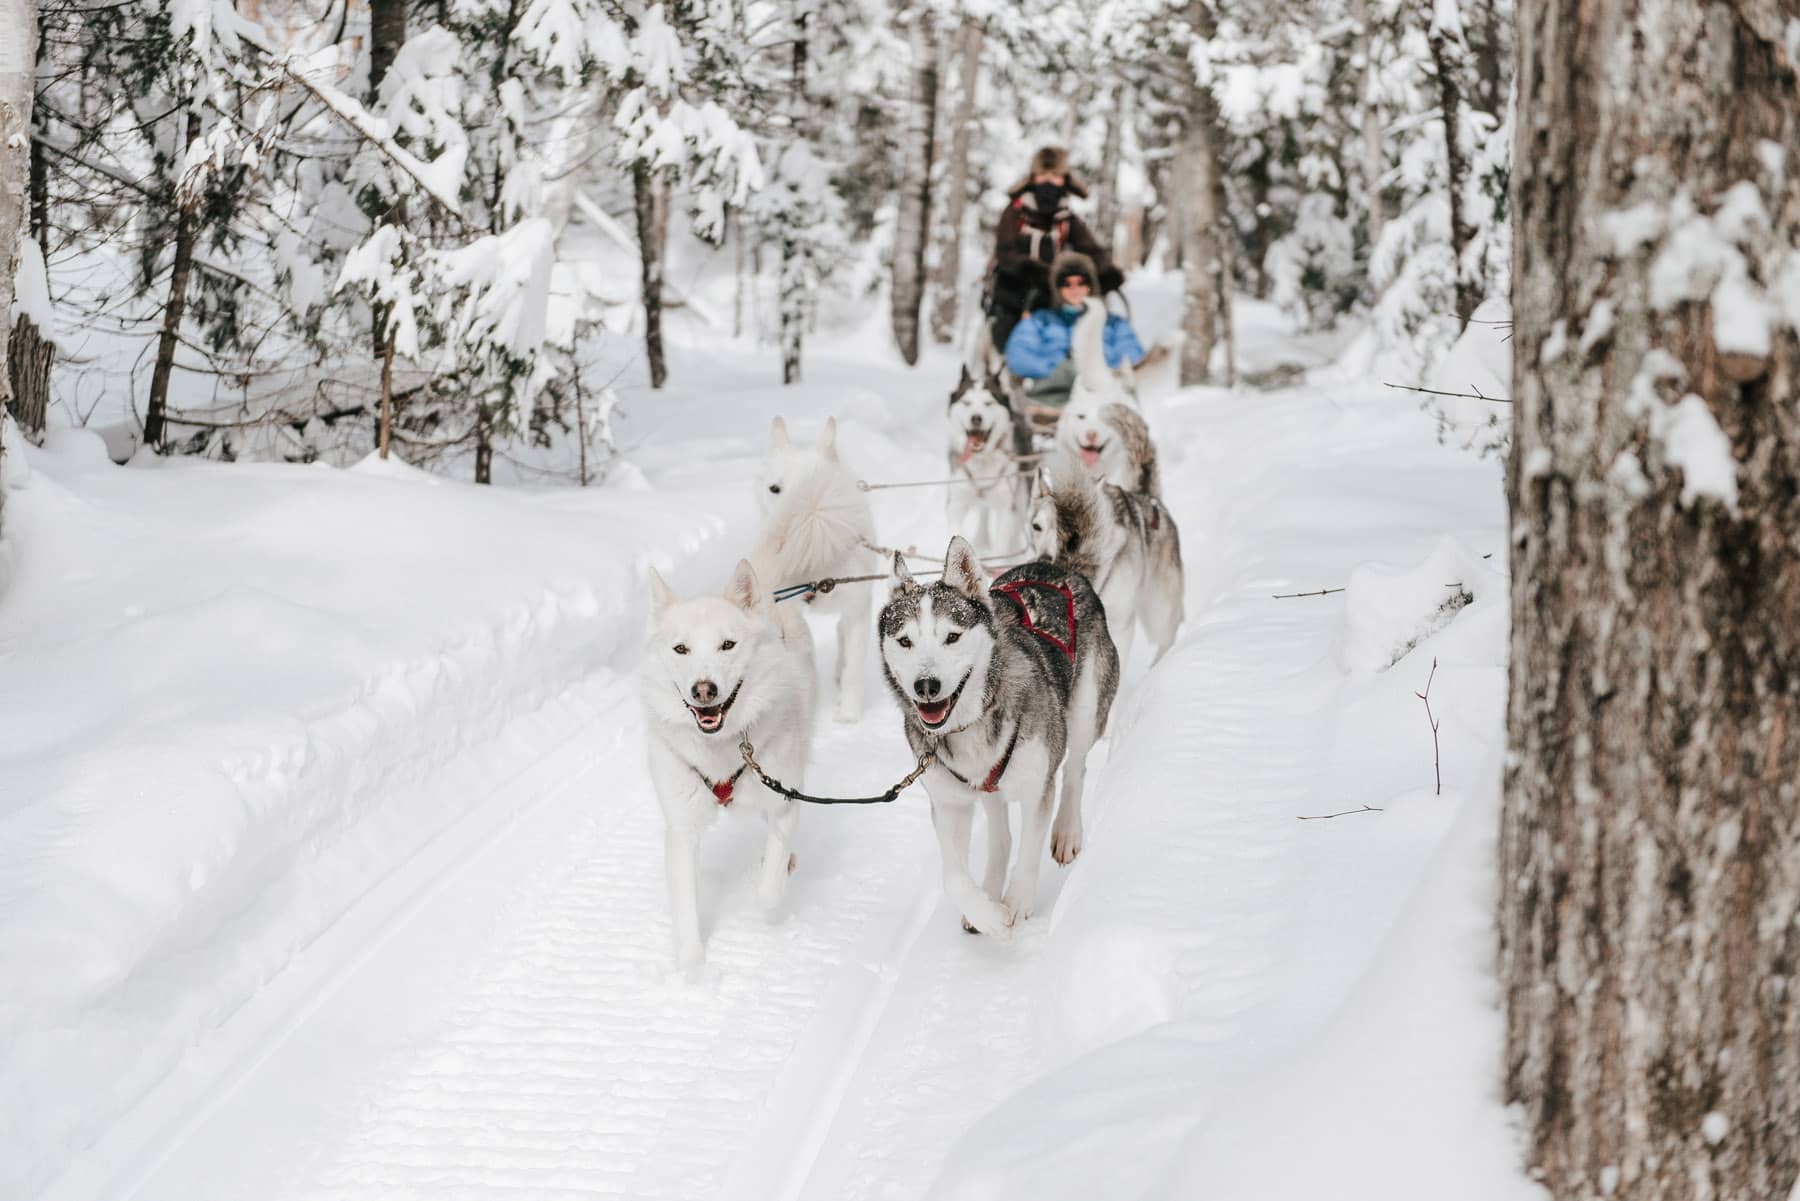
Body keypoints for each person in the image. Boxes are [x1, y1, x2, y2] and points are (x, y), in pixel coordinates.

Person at [986, 146, 1124, 356]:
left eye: (1055, 175)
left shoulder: (1066, 217)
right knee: (1007, 343)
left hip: (1051, 293)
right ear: (1033, 178)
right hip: (1012, 293)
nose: (1049, 182)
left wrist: (1105, 272)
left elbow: (1090, 249)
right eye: (1043, 175)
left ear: (1064, 180)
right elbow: (1006, 253)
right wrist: (1032, 271)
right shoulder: (1015, 212)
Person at [1003, 250, 1145, 413]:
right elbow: (1017, 355)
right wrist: (1054, 368)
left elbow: (1131, 354)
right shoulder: (1041, 321)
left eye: (1080, 283)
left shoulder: (1112, 323)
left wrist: (1099, 367)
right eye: (1067, 284)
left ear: (1090, 286)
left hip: (1101, 396)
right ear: (1058, 289)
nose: (1074, 289)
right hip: (1049, 397)